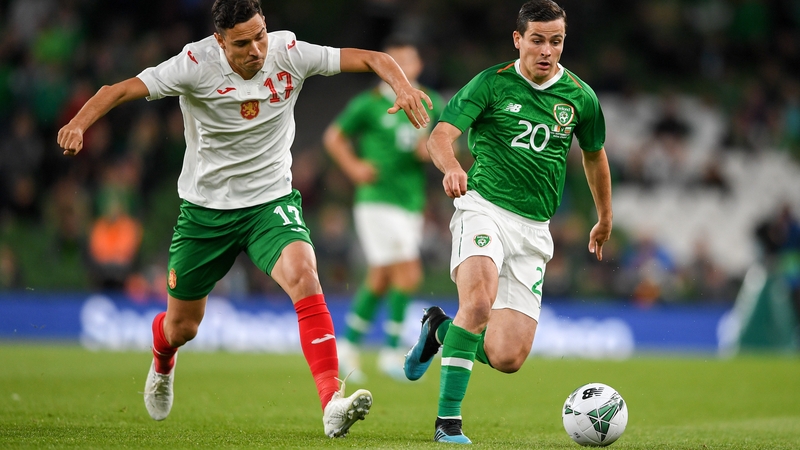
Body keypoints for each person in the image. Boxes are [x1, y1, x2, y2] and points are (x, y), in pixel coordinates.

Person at [56, 0, 432, 439]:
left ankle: (331, 401)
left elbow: (374, 57)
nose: (256, 49)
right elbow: (116, 90)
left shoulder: (288, 51)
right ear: (220, 42)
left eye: (260, 35)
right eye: (242, 42)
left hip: (269, 204)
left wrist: (402, 86)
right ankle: (162, 358)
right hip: (205, 213)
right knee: (183, 328)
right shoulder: (194, 63)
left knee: (304, 275)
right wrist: (78, 124)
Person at [403, 0, 612, 443]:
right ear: (518, 39)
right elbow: (440, 136)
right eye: (537, 40)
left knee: (507, 356)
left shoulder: (580, 97)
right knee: (477, 304)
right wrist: (452, 168)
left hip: (535, 229)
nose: (547, 50)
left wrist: (604, 216)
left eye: (556, 41)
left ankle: (439, 330)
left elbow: (594, 156)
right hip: (484, 209)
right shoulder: (490, 85)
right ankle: (448, 423)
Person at [322, 38, 444, 383]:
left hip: (410, 202)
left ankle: (348, 346)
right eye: (397, 61)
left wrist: (431, 152)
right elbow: (334, 137)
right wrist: (354, 168)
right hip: (376, 200)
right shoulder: (369, 103)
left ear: (418, 66)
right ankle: (392, 350)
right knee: (408, 273)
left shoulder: (430, 102)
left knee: (380, 277)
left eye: (409, 61)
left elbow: (446, 141)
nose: (404, 67)